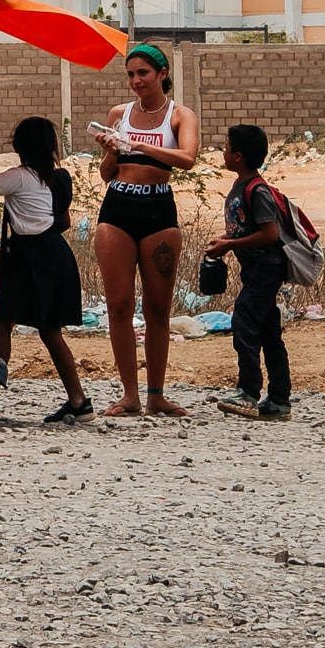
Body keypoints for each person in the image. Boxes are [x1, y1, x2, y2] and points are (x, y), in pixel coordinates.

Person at [0, 117, 92, 423]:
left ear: (18, 146)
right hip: (56, 254)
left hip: (31, 256)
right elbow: (64, 222)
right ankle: (78, 401)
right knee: (50, 330)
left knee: (2, 323)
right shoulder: (58, 178)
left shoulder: (17, 177)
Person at [92, 43, 200, 419]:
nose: (136, 81)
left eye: (143, 73)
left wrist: (138, 144)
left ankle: (157, 394)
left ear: (162, 74)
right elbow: (107, 174)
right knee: (119, 305)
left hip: (158, 208)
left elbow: (187, 159)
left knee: (158, 308)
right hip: (118, 206)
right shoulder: (119, 114)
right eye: (131, 75)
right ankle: (129, 395)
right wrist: (111, 150)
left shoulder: (179, 116)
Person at [206, 124, 292, 421]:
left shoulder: (257, 190)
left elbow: (270, 234)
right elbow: (247, 226)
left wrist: (230, 244)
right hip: (255, 268)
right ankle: (279, 400)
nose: (223, 152)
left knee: (244, 320)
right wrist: (227, 242)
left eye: (226, 147)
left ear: (238, 156)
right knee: (268, 331)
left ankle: (248, 392)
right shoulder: (241, 186)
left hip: (265, 268)